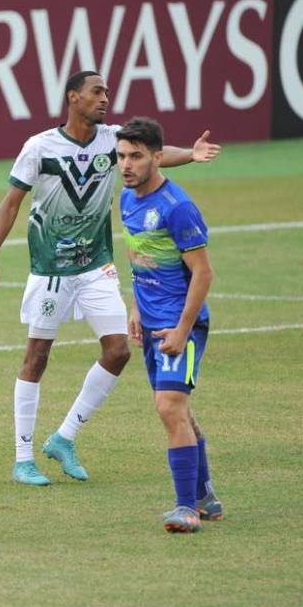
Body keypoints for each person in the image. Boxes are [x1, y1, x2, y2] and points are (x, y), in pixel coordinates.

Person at [0, 71, 220, 487]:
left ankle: (64, 437)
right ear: (73, 98)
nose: (105, 98)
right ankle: (23, 458)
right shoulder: (39, 146)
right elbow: (11, 201)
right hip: (51, 268)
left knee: (118, 351)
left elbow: (152, 155)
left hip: (97, 268)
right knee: (36, 357)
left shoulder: (113, 141)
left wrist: (191, 154)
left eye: (107, 92)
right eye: (97, 92)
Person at [117, 117, 222, 533]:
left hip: (182, 327)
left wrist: (181, 330)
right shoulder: (126, 200)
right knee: (179, 411)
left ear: (158, 158)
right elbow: (142, 260)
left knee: (169, 407)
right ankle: (206, 498)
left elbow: (203, 273)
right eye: (122, 155)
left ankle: (186, 509)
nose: (126, 164)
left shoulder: (177, 208)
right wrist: (137, 308)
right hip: (152, 322)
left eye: (136, 156)